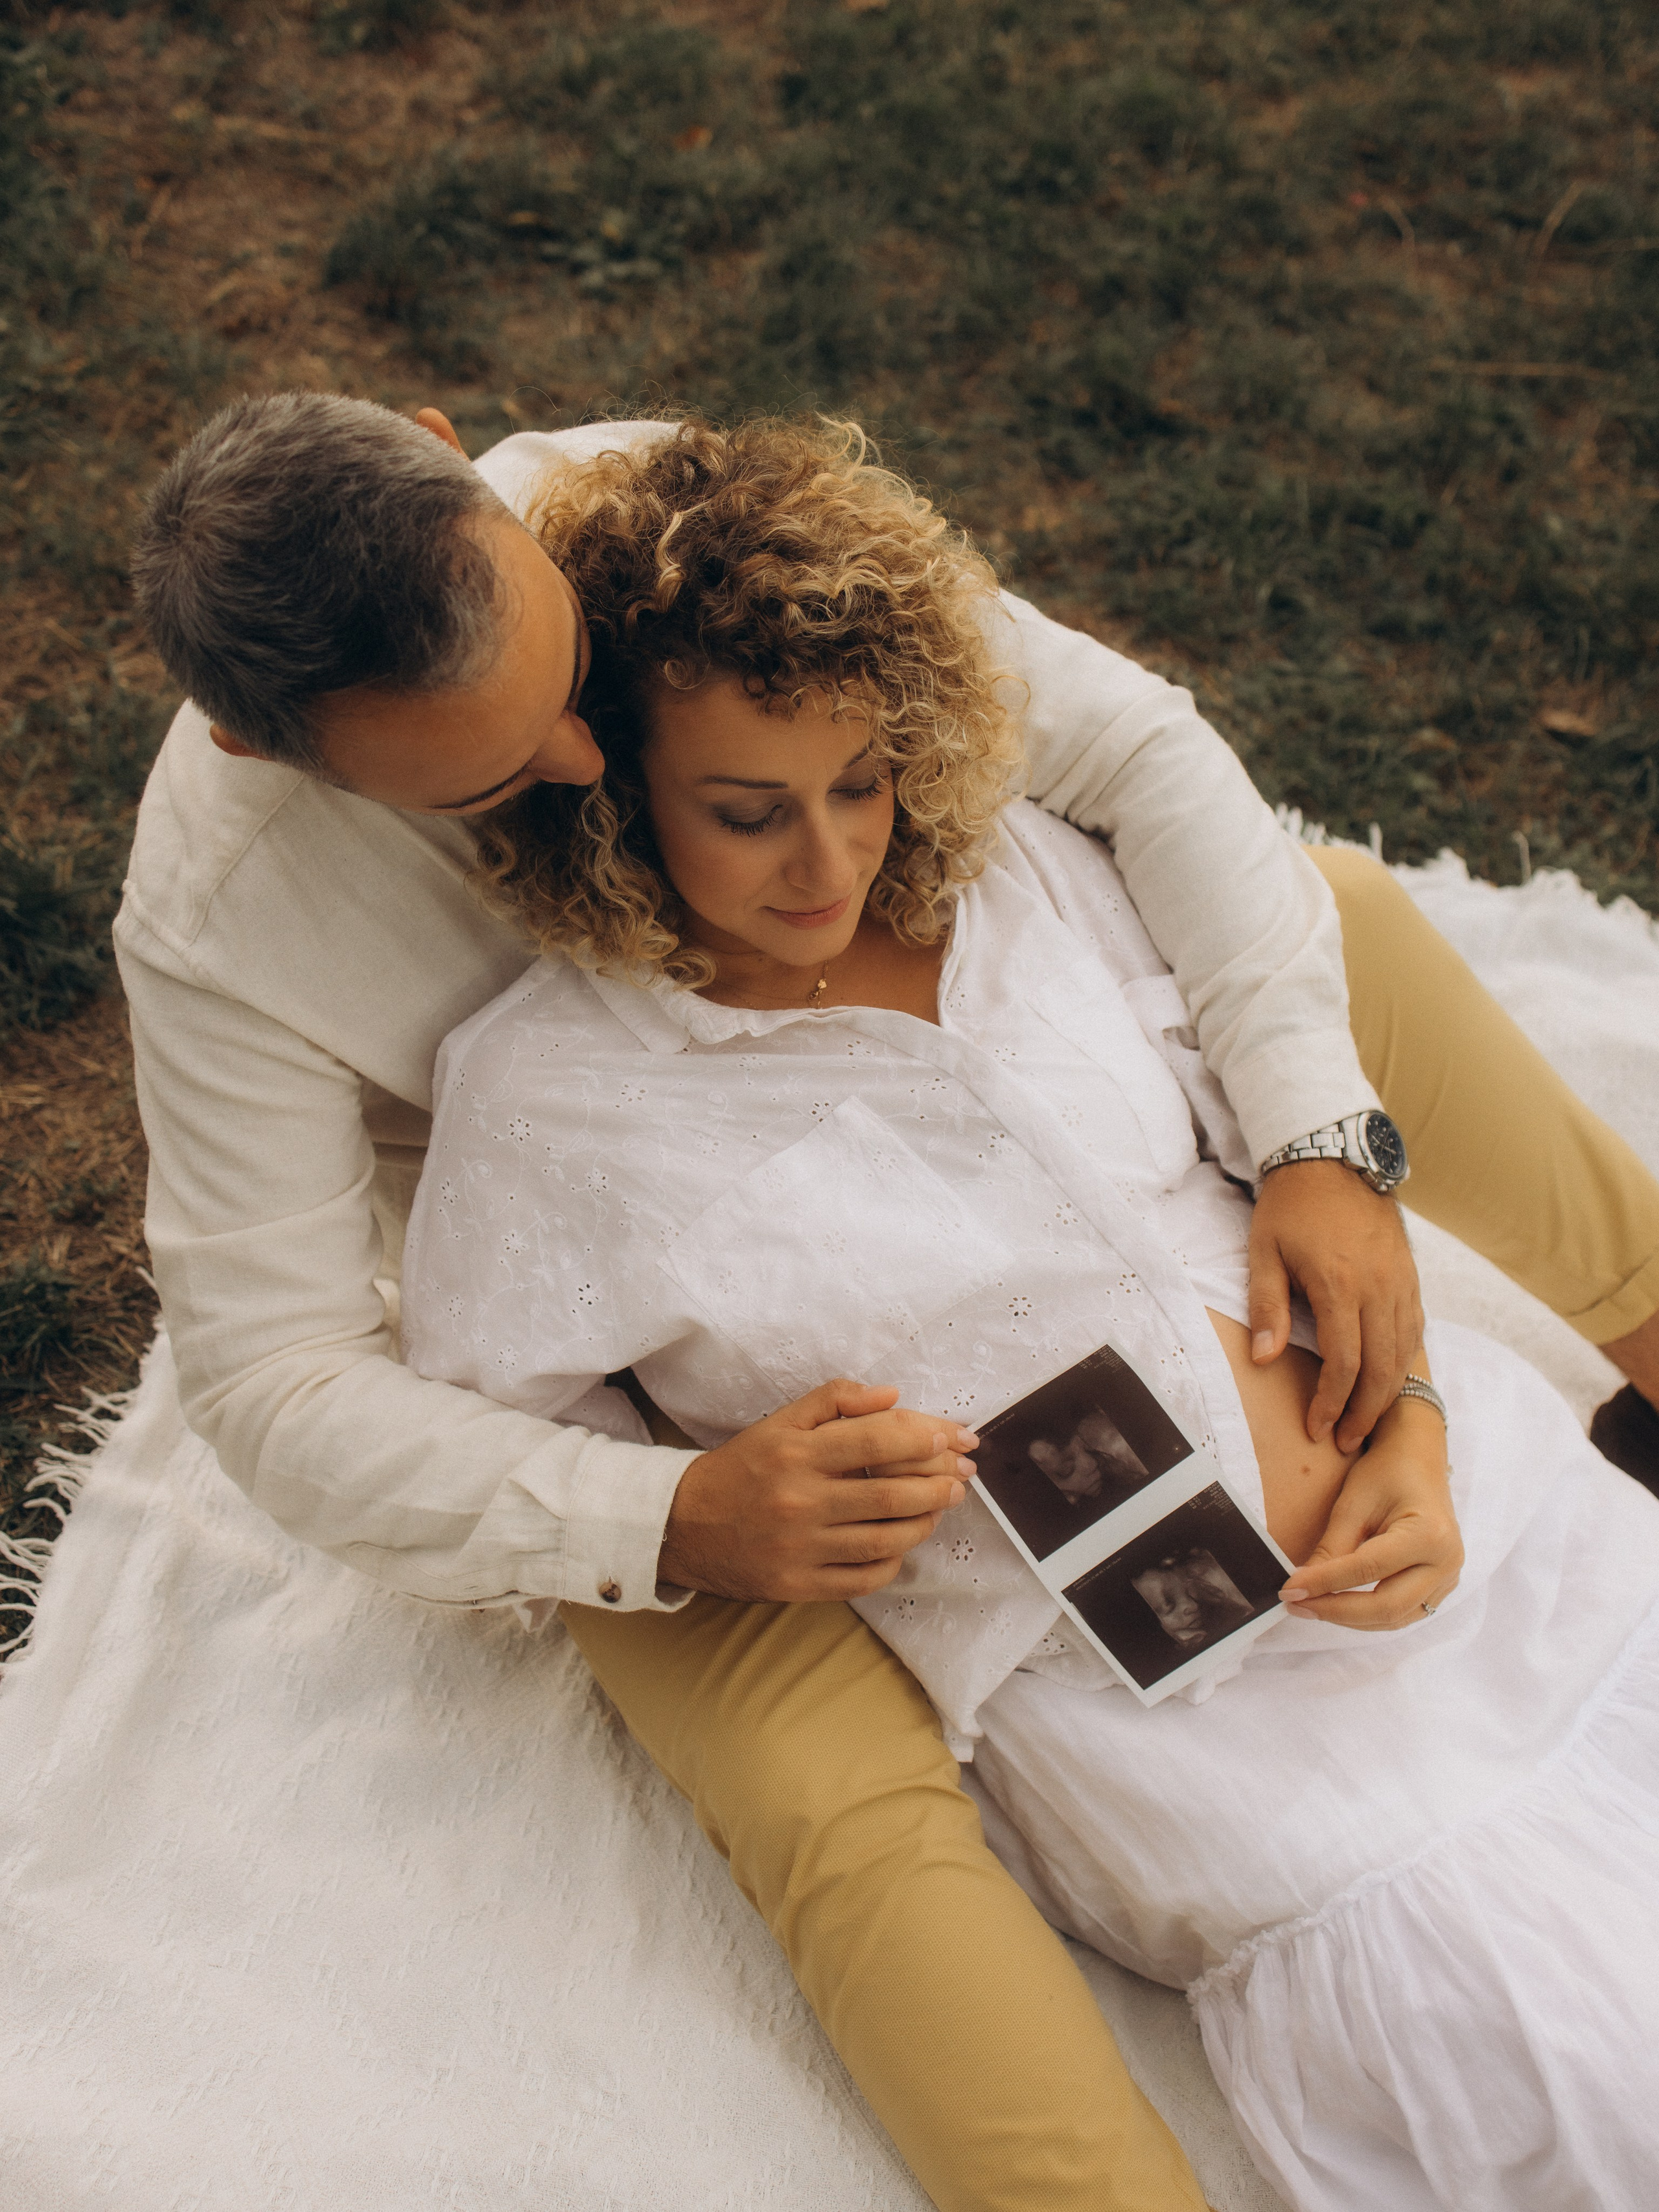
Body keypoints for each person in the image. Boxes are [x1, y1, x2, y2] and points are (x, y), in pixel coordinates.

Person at [121, 393, 1659, 2212]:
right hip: (673, 1373)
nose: (577, 750)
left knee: (1325, 926)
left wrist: (1326, 1157)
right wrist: (675, 1509)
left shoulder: (689, 552)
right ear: (260, 744)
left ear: (461, 460)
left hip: (1054, 1204)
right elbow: (281, 1379)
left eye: (576, 673)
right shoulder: (230, 935)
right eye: (487, 774)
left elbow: (1135, 754)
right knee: (825, 1800)